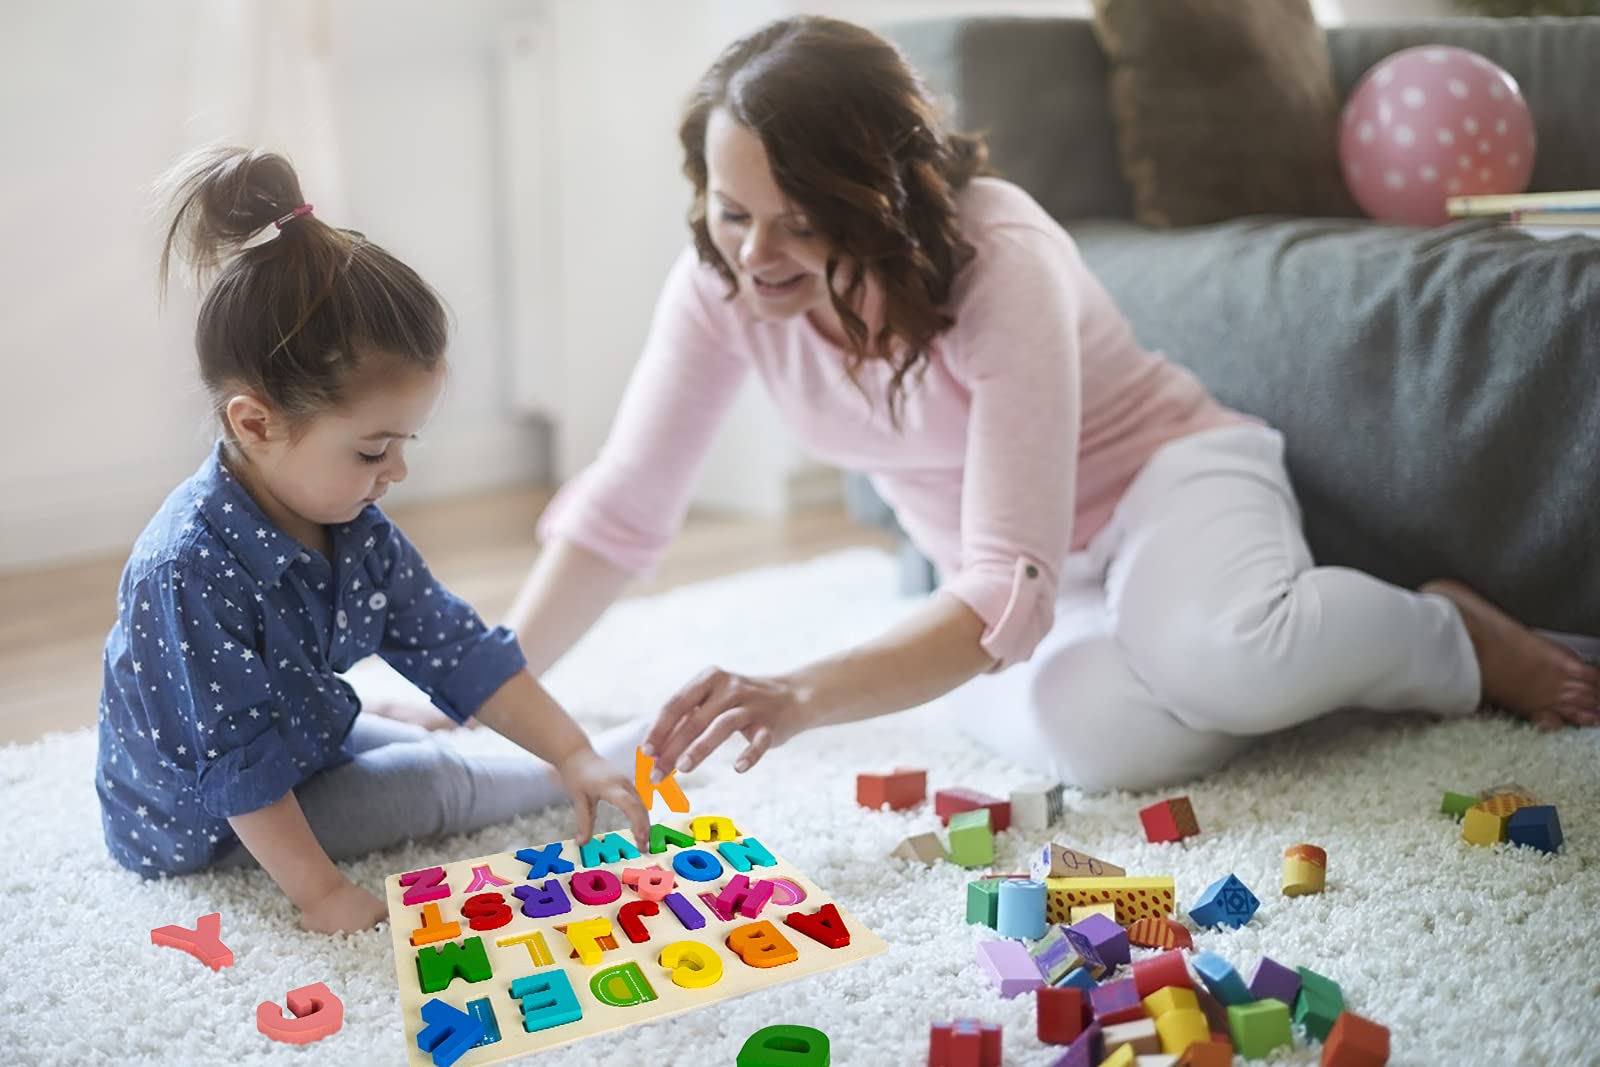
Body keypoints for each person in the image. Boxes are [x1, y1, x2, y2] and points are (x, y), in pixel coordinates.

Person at [502, 16, 1599, 794]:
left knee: (1217, 656)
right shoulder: (723, 283)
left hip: (1158, 479)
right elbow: (623, 508)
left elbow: (996, 587)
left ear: (877, 195)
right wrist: (489, 681)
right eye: (732, 211)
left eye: (795, 219)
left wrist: (799, 693)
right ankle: (1271, 663)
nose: (756, 254)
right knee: (1098, 731)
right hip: (1021, 574)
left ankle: (1443, 634)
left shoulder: (997, 254)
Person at [95, 146, 649, 934]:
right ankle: (544, 783)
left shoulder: (350, 521)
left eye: (405, 444)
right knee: (427, 782)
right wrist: (322, 895)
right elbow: (240, 769)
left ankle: (579, 766)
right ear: (255, 422)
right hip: (204, 822)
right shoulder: (185, 571)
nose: (396, 472)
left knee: (409, 729)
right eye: (372, 449)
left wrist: (572, 748)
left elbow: (455, 646)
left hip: (299, 727)